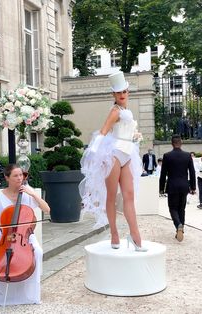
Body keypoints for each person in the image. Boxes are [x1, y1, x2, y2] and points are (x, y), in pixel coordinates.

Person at [79, 71, 147, 252]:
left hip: (127, 154)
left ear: (128, 92)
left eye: (124, 91)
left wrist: (135, 137)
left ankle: (135, 236)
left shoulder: (127, 111)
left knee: (129, 196)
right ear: (114, 95)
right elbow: (103, 131)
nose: (122, 95)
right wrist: (94, 154)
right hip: (114, 154)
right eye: (118, 93)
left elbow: (126, 133)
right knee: (110, 196)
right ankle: (114, 234)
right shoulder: (115, 111)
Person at [0, 164, 50, 306]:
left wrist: (33, 194)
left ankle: (31, 294)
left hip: (24, 235)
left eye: (21, 175)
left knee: (38, 252)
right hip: (3, 235)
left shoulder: (28, 193)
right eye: (15, 176)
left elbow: (47, 209)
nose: (19, 178)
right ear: (7, 178)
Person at [159, 135, 196, 242]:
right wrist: (193, 187)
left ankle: (178, 225)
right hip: (184, 186)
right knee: (181, 209)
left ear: (172, 143)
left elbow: (163, 174)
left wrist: (161, 188)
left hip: (172, 186)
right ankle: (180, 229)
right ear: (181, 143)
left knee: (172, 208)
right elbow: (192, 172)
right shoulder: (187, 155)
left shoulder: (167, 156)